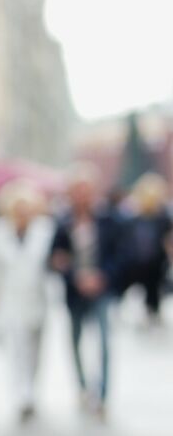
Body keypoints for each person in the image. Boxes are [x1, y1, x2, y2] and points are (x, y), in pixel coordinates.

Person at [0, 180, 56, 423]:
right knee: (17, 349)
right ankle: (22, 395)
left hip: (37, 298)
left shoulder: (45, 229)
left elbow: (52, 263)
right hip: (10, 299)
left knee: (36, 349)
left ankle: (32, 387)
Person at [49, 172, 124, 420]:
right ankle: (82, 386)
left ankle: (102, 393)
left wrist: (102, 276)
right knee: (76, 339)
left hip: (102, 288)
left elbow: (119, 254)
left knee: (103, 340)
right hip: (75, 291)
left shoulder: (108, 220)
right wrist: (75, 276)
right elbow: (56, 258)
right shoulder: (62, 222)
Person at [122, 173, 172, 324]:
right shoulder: (134, 218)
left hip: (157, 262)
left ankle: (153, 310)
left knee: (154, 288)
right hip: (138, 261)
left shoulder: (163, 218)